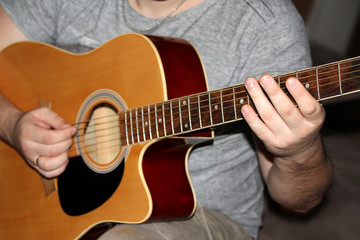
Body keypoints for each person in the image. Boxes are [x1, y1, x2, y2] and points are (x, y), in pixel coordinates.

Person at [0, 0, 334, 239]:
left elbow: (301, 202)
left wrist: (300, 153)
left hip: (201, 216)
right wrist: (11, 124)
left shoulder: (263, 21)